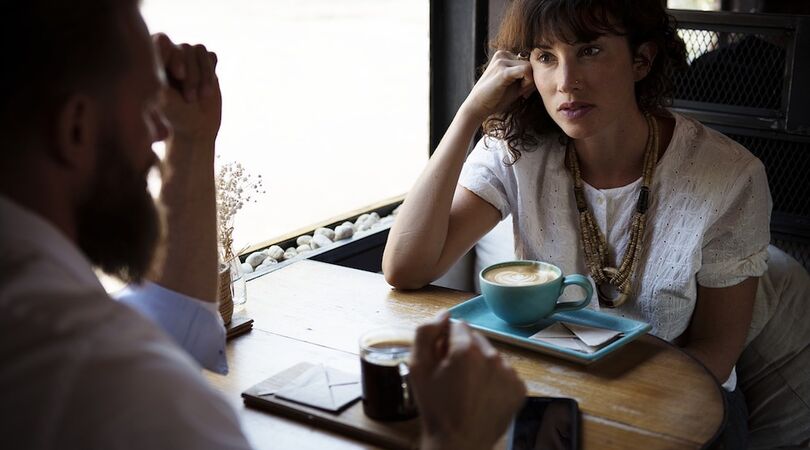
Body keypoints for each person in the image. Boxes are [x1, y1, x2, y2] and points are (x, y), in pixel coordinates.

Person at [0, 1, 526, 449]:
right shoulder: (129, 396)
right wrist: (456, 437)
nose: (158, 132)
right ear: (75, 128)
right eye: (144, 109)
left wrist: (193, 138)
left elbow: (169, 325)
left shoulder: (38, 311)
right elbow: (134, 370)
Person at [383, 0, 771, 447]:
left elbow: (716, 352)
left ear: (641, 60)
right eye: (546, 57)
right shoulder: (517, 150)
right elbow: (405, 268)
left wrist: (606, 418)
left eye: (589, 51)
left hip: (681, 401)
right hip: (554, 393)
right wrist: (469, 112)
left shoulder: (731, 175)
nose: (566, 82)